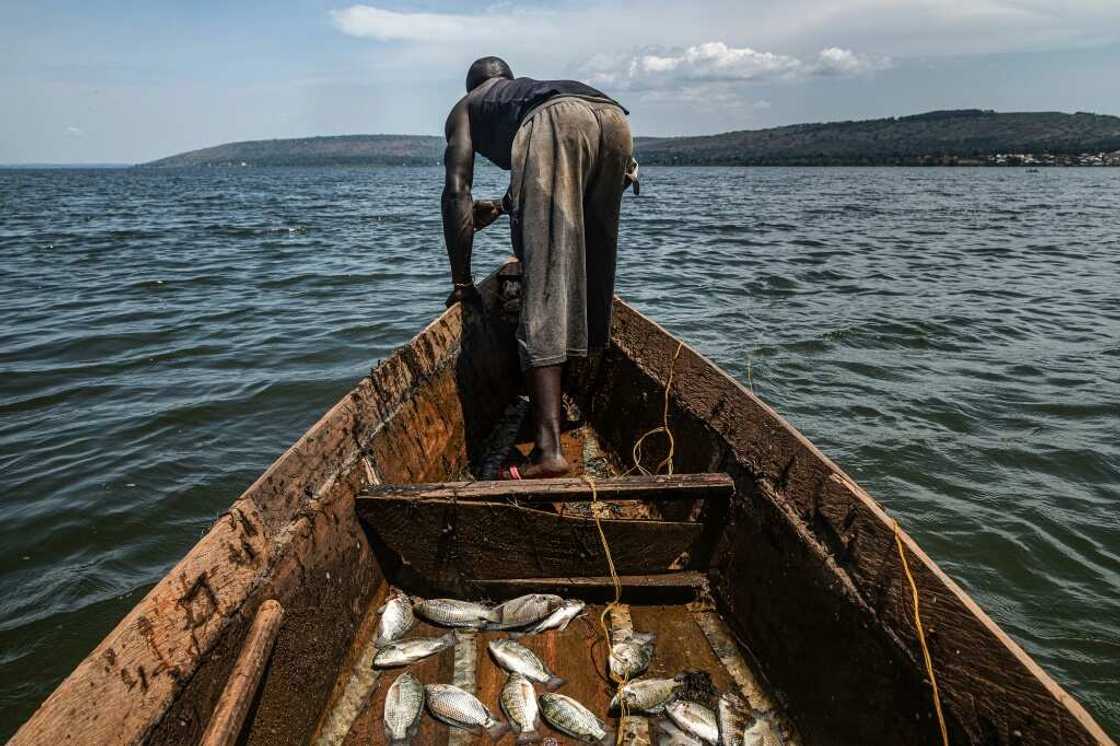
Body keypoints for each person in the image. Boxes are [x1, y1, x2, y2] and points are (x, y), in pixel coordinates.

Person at [441, 55, 636, 479]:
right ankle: (575, 389)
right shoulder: (525, 92)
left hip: (558, 122)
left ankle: (548, 450)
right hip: (612, 118)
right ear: (506, 80)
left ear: (473, 85)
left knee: (546, 283)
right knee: (589, 275)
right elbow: (548, 174)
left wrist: (462, 281)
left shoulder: (468, 106)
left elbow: (457, 190)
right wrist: (509, 206)